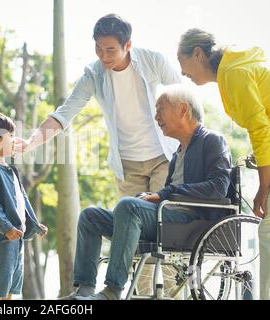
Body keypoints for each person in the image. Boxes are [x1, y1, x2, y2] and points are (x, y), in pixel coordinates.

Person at [20, 13, 181, 296]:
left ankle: (165, 293)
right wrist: (31, 142)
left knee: (160, 231)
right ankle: (131, 293)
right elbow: (64, 113)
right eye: (98, 48)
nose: (103, 56)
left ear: (127, 45)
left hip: (162, 158)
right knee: (132, 237)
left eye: (110, 49)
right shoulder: (94, 74)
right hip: (127, 164)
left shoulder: (152, 60)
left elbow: (182, 91)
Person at [64, 85, 232, 300]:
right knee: (90, 216)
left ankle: (112, 291)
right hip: (167, 217)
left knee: (128, 206)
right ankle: (84, 289)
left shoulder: (213, 140)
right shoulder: (179, 152)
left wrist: (165, 193)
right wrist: (153, 198)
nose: (156, 116)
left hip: (192, 222)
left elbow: (218, 188)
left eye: (161, 109)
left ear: (182, 110)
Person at [177, 28, 270, 300]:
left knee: (267, 233)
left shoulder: (233, 73)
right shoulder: (235, 66)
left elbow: (260, 129)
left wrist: (263, 188)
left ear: (197, 53)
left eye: (182, 62)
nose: (183, 73)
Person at [0, 113, 48, 300]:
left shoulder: (11, 171)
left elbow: (22, 203)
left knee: (10, 291)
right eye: (11, 136)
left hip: (16, 240)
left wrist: (35, 225)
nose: (15, 140)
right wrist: (6, 228)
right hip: (1, 241)